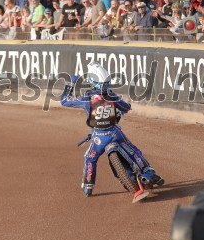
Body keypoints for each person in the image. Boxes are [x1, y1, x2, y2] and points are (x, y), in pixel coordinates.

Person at [60, 61, 164, 199]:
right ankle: (148, 172)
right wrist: (121, 111)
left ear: (91, 81)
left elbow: (64, 101)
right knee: (134, 151)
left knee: (90, 159)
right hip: (115, 133)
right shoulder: (112, 95)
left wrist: (70, 85)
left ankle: (88, 186)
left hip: (99, 138)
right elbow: (126, 107)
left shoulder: (86, 98)